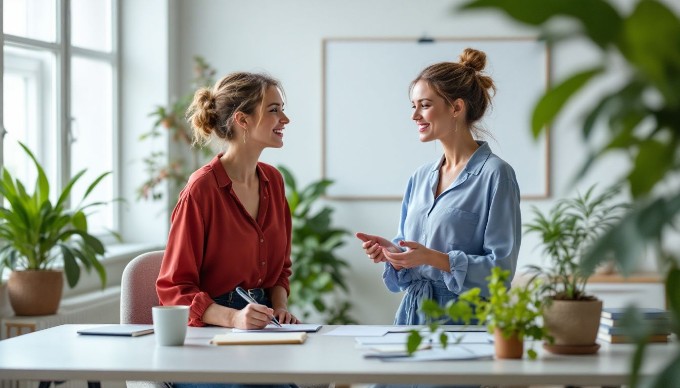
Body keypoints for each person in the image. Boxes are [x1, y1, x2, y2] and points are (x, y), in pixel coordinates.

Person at [356, 47, 521, 326]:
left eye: (425, 105)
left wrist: (436, 259)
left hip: (463, 320)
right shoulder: (419, 177)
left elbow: (501, 271)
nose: (414, 116)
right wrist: (395, 254)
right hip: (411, 317)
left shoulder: (496, 175)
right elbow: (411, 249)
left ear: (456, 107)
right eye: (413, 106)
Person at [156, 71, 300, 335]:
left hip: (264, 325)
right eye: (273, 110)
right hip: (209, 329)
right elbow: (174, 288)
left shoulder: (274, 181)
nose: (285, 119)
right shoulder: (201, 190)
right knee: (252, 380)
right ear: (242, 120)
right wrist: (234, 319)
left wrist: (279, 307)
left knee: (292, 376)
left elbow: (280, 269)